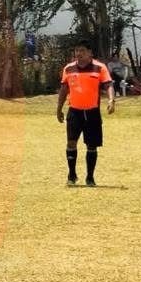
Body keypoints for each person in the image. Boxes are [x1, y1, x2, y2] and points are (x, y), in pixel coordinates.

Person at [57, 40, 115, 186]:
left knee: (91, 145)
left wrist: (111, 100)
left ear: (90, 53)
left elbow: (108, 85)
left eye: (82, 50)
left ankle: (90, 177)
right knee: (71, 142)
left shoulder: (100, 68)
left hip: (92, 112)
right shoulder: (68, 69)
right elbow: (64, 89)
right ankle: (72, 175)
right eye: (77, 50)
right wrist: (59, 108)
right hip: (74, 112)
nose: (79, 53)